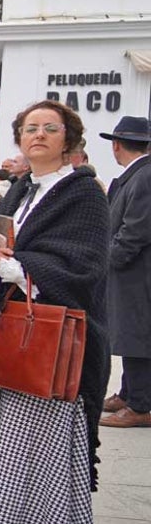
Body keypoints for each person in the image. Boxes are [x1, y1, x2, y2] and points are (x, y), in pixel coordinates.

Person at [0, 100, 109, 524]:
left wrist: (16, 266)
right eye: (30, 128)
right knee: (10, 447)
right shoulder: (22, 187)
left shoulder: (82, 194)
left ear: (68, 138)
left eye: (50, 128)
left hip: (55, 336)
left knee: (41, 450)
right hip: (16, 330)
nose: (39, 135)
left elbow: (85, 263)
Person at [99, 116, 151, 428]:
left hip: (136, 273)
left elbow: (135, 231)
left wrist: (109, 260)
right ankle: (130, 393)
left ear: (117, 146)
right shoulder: (138, 175)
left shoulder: (143, 177)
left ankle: (141, 405)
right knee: (131, 333)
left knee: (136, 336)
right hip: (133, 271)